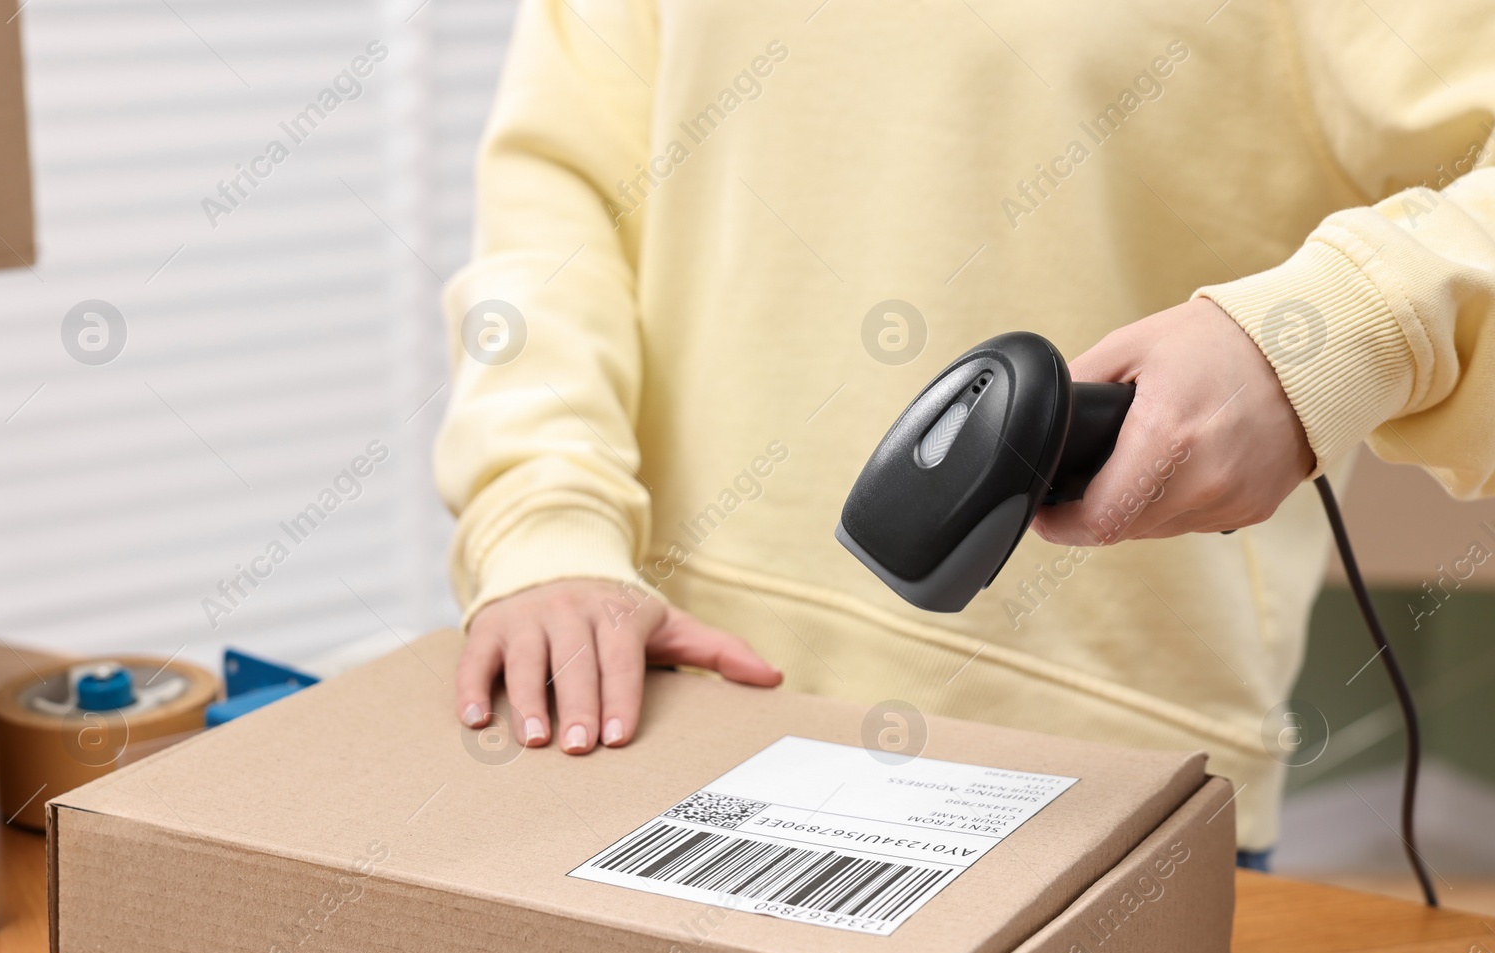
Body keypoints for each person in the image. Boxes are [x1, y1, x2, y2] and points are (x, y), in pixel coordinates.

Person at [433, 0, 1495, 859]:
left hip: (1087, 780)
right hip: (665, 723)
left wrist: (1332, 331)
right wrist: (543, 519)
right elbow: (558, 198)